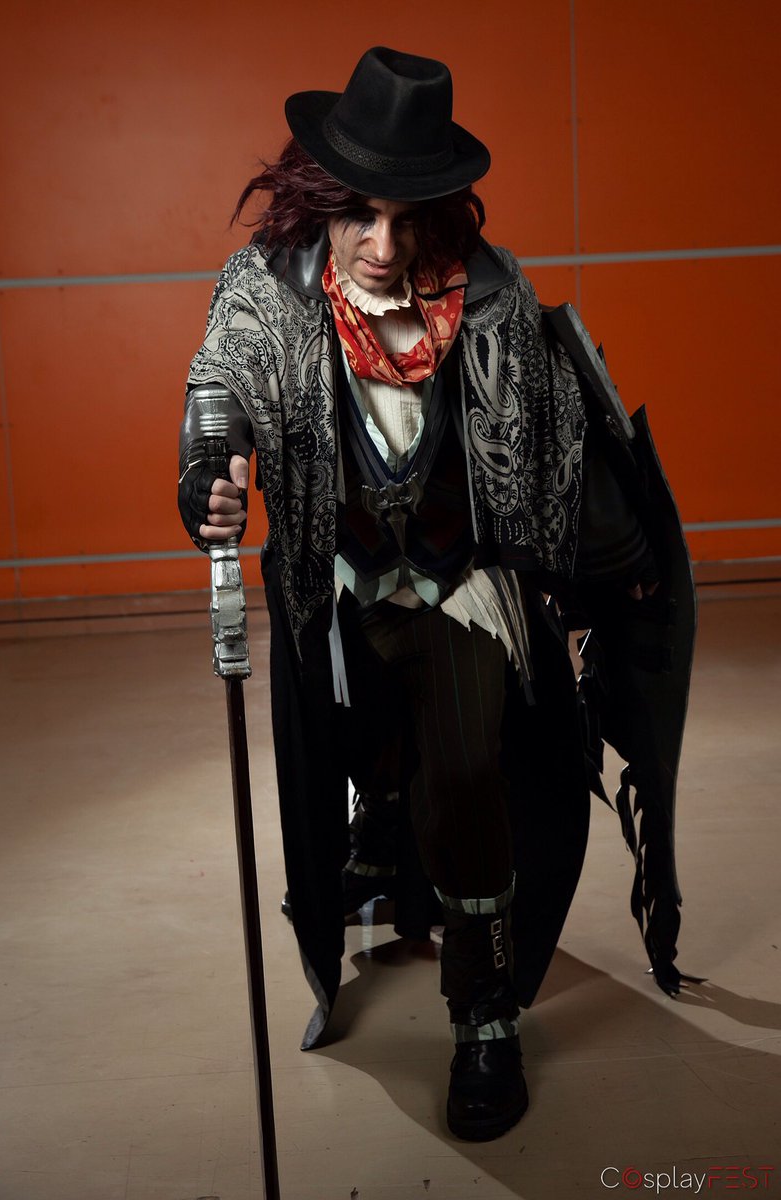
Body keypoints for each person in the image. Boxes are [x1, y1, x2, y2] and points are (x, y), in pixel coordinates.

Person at [178, 46, 675, 1142]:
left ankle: (483, 1011)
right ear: (322, 198)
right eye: (359, 214)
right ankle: (381, 829)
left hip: (461, 584)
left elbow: (560, 437)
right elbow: (220, 383)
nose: (381, 244)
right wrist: (208, 471)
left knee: (465, 773)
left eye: (405, 219)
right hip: (338, 578)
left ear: (439, 212)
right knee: (356, 749)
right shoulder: (271, 291)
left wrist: (616, 566)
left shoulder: (489, 295)